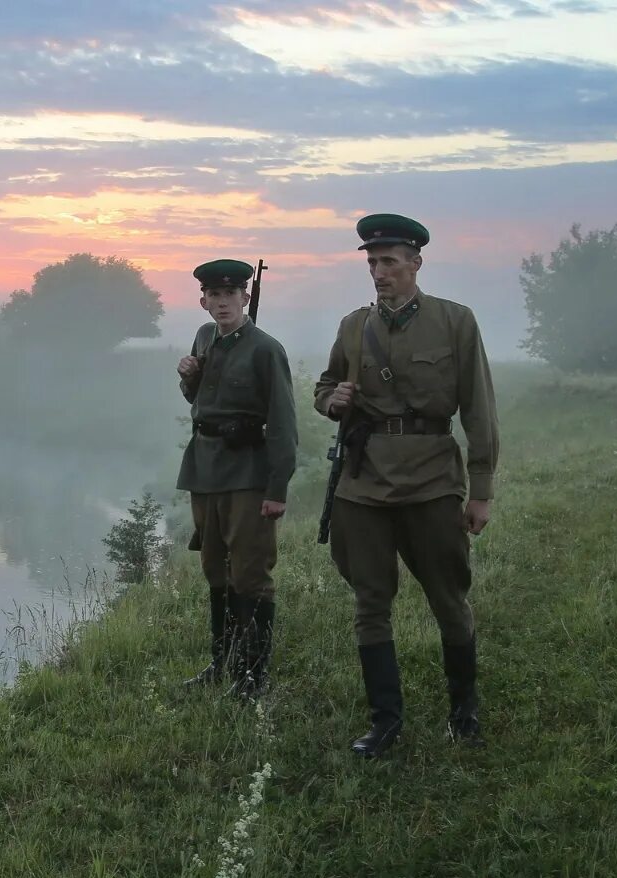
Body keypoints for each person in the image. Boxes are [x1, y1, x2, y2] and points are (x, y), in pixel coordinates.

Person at [313, 213, 500, 757]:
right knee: (370, 602)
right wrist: (332, 401)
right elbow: (326, 385)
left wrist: (481, 489)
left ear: (415, 263)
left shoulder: (454, 322)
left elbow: (479, 409)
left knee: (449, 598)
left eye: (389, 261)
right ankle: (385, 722)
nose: (379, 271)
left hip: (432, 481)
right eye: (372, 262)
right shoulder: (353, 325)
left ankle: (463, 714)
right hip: (362, 482)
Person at [176, 258, 298, 698]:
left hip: (247, 473)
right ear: (203, 300)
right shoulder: (205, 337)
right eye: (214, 295)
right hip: (205, 468)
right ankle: (221, 662)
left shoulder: (266, 349)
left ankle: (253, 676)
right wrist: (188, 378)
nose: (222, 302)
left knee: (249, 575)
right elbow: (202, 400)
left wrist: (276, 489)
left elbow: (283, 423)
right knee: (215, 570)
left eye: (231, 294)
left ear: (245, 297)